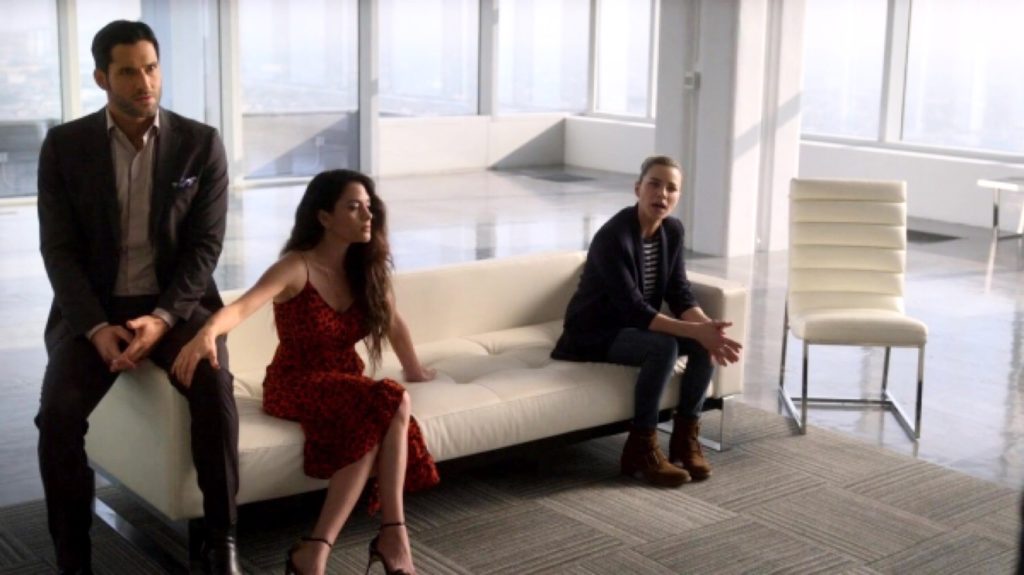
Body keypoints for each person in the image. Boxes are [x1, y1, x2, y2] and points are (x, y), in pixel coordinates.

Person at [35, 20, 241, 575]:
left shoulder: (200, 144)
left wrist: (164, 317)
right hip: (94, 310)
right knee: (57, 416)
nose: (144, 82)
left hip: (176, 305)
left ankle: (221, 540)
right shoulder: (64, 147)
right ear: (102, 77)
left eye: (151, 68)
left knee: (215, 387)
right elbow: (58, 250)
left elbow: (205, 247)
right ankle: (73, 557)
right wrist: (94, 327)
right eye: (128, 71)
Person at [173, 169, 439, 575]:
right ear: (324, 217)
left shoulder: (366, 269)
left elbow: (394, 323)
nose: (368, 216)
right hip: (294, 382)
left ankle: (315, 551)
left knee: (373, 421)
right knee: (392, 399)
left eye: (369, 207)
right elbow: (242, 307)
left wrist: (414, 368)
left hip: (345, 382)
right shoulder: (297, 267)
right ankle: (393, 536)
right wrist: (208, 331)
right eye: (354, 207)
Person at [551, 155, 742, 487]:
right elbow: (634, 310)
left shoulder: (672, 231)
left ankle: (684, 440)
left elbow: (679, 294)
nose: (662, 194)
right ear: (638, 188)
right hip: (592, 333)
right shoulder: (613, 236)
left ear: (678, 196)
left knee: (700, 343)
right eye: (654, 184)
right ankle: (640, 448)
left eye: (671, 188)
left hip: (634, 327)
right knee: (663, 347)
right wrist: (697, 330)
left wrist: (707, 330)